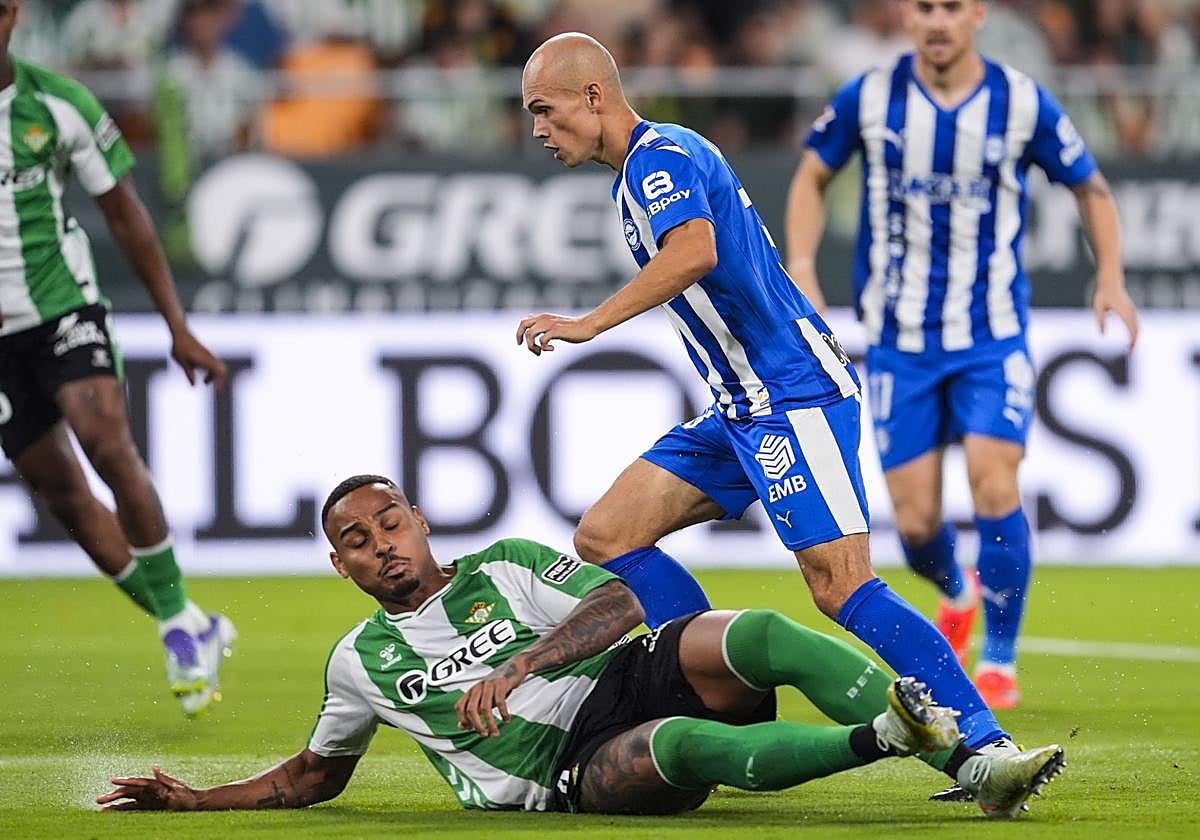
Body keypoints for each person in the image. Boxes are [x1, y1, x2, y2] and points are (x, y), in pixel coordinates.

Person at [514, 31, 1014, 760]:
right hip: (738, 406)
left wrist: (590, 322)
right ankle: (708, 685)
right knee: (607, 536)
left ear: (593, 95)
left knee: (841, 585)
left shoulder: (659, 158)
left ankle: (985, 742)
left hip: (791, 391)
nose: (537, 129)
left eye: (543, 108)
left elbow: (695, 251)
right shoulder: (637, 172)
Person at [96, 475, 1065, 818]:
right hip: (564, 768)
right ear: (339, 566)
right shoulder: (359, 662)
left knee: (763, 631)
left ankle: (975, 768)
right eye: (358, 541)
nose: (382, 545)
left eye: (391, 523)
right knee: (682, 747)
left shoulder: (506, 563)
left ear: (421, 522)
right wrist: (198, 799)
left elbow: (619, 603)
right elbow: (315, 774)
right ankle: (883, 739)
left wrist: (523, 662)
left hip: (620, 675)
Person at [784, 0, 1138, 711]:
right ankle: (956, 589)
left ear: (976, 13)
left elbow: (1090, 186)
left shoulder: (1021, 102)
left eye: (951, 6)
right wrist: (801, 264)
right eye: (925, 7)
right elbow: (811, 175)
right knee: (915, 523)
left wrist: (1110, 276)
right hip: (900, 343)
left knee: (995, 484)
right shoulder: (870, 97)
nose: (938, 21)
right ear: (905, 16)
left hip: (990, 336)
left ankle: (999, 660)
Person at [0, 0, 234, 716]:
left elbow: (125, 213)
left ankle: (177, 628)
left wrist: (177, 326)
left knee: (104, 438)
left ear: (16, 16)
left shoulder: (57, 104)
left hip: (62, 306)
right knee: (61, 492)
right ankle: (186, 619)